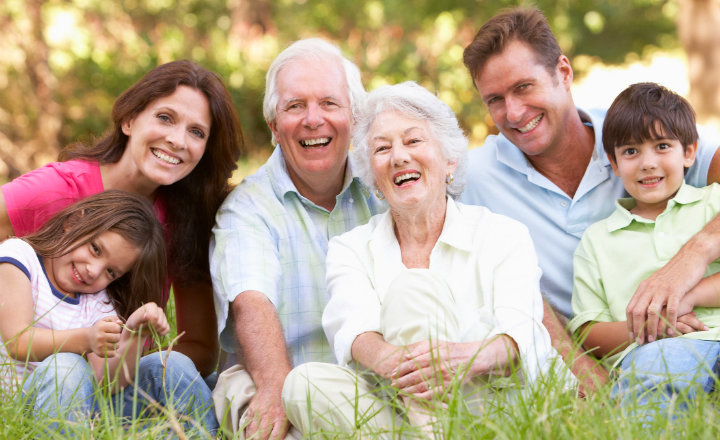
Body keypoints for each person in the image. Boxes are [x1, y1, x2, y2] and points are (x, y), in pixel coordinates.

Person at [282, 81, 573, 437]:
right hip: (402, 402)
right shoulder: (351, 248)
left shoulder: (504, 235)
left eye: (414, 141)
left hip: (500, 407)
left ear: (450, 158)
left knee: (412, 291)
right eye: (382, 148)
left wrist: (461, 359)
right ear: (373, 175)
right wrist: (402, 364)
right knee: (303, 385)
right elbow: (354, 330)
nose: (399, 156)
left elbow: (519, 336)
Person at [460, 7, 720, 391]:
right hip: (622, 350)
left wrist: (694, 255)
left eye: (523, 87)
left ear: (563, 73)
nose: (513, 112)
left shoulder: (637, 135)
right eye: (494, 99)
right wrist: (580, 368)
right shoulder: (473, 178)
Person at [0, 60, 242, 428]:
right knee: (66, 370)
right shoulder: (58, 191)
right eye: (165, 117)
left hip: (110, 385)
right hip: (39, 384)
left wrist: (132, 340)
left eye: (196, 132)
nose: (177, 140)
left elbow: (200, 350)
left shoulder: (184, 218)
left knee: (188, 375)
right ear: (129, 120)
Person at [210, 38, 384, 438]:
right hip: (268, 376)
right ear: (274, 126)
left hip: (369, 382)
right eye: (295, 106)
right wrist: (277, 388)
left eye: (329, 103)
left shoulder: (383, 189)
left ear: (354, 118)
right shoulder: (247, 207)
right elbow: (251, 300)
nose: (312, 119)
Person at [0, 191, 212, 433]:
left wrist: (134, 334)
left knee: (171, 363)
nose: (94, 271)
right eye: (96, 249)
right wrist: (86, 339)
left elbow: (107, 383)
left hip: (79, 413)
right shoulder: (19, 257)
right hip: (18, 407)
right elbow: (18, 342)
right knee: (67, 366)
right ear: (73, 222)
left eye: (111, 272)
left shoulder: (98, 302)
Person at [569, 82, 720, 420]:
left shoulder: (713, 204)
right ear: (614, 162)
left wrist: (690, 296)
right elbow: (588, 332)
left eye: (662, 146)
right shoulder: (597, 241)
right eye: (631, 151)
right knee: (651, 382)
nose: (648, 163)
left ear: (689, 152)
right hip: (660, 352)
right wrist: (655, 325)